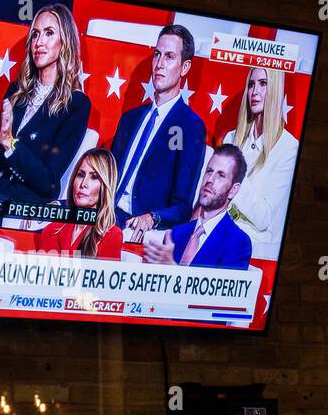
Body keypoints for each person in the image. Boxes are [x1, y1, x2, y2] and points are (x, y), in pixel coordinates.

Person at [0, 4, 92, 205]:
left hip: (26, 205)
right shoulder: (16, 92)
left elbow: (48, 184)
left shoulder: (76, 104)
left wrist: (10, 143)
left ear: (65, 42)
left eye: (49, 33)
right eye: (36, 34)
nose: (39, 42)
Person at [107, 24, 206, 241]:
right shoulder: (130, 119)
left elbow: (181, 206)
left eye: (169, 57)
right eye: (157, 55)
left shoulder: (188, 126)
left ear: (185, 67)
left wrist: (151, 218)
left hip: (138, 230)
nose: (159, 64)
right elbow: (107, 178)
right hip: (105, 218)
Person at [219, 66, 300, 260]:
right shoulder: (232, 138)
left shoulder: (289, 148)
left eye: (263, 84)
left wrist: (232, 175)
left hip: (254, 247)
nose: (254, 92)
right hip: (219, 235)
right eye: (251, 84)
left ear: (276, 89)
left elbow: (263, 218)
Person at [144, 145, 251, 270]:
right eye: (209, 171)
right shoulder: (176, 234)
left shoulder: (238, 243)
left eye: (221, 175)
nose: (210, 180)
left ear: (233, 190)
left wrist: (172, 268)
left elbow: (219, 290)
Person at [34, 148, 122, 260]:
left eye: (94, 177)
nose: (83, 184)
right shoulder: (51, 230)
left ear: (105, 186)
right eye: (80, 175)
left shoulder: (111, 236)